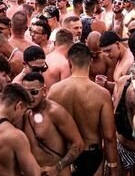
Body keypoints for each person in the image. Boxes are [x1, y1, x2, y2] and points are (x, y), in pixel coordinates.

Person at [48, 43, 120, 176]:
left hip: (64, 155)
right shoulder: (101, 94)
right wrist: (113, 167)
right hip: (91, 155)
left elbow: (49, 126)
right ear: (90, 62)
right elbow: (109, 136)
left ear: (69, 62)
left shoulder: (54, 90)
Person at [21, 72, 83, 175]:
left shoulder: (55, 112)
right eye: (25, 93)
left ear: (44, 91)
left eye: (34, 92)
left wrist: (57, 168)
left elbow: (78, 144)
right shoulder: (24, 113)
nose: (29, 97)